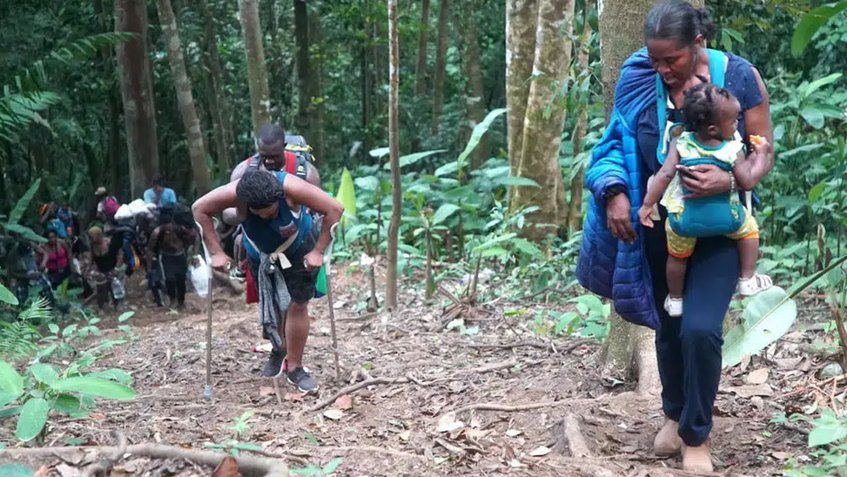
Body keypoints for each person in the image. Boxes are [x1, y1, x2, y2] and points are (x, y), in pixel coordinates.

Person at [576, 1, 772, 472]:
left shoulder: (739, 77)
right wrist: (616, 194)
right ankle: (673, 411)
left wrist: (735, 180)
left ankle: (696, 437)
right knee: (669, 324)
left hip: (723, 227)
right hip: (662, 229)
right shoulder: (639, 77)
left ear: (697, 44)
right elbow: (614, 143)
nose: (662, 69)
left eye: (672, 60)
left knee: (702, 330)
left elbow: (764, 148)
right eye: (655, 58)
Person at [193, 167, 343, 394]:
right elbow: (199, 209)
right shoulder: (235, 193)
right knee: (271, 304)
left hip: (299, 248)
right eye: (260, 213)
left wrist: (319, 251)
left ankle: (295, 367)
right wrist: (216, 252)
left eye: (271, 211)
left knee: (298, 304)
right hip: (259, 252)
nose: (266, 216)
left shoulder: (291, 188)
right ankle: (278, 349)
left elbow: (334, 209)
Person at [638, 83, 773, 316]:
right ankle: (748, 278)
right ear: (712, 129)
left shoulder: (680, 144)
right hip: (728, 220)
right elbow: (748, 180)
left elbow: (665, 174)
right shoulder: (732, 149)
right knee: (750, 231)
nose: (735, 126)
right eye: (733, 122)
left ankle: (676, 298)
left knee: (677, 257)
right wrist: (761, 155)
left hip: (685, 222)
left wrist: (647, 204)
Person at [147, 206, 196, 309]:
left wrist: (194, 254)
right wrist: (149, 268)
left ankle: (181, 301)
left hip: (180, 256)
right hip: (167, 257)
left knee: (181, 279)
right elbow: (150, 250)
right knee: (169, 279)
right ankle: (173, 300)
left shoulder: (180, 229)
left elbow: (195, 237)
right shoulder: (157, 233)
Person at [83, 226, 125, 310]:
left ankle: (117, 304)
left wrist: (117, 268)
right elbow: (91, 259)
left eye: (92, 236)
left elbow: (120, 255)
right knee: (101, 288)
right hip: (101, 270)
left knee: (114, 286)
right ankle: (102, 306)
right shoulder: (92, 246)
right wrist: (87, 270)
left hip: (113, 268)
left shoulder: (109, 243)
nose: (91, 239)